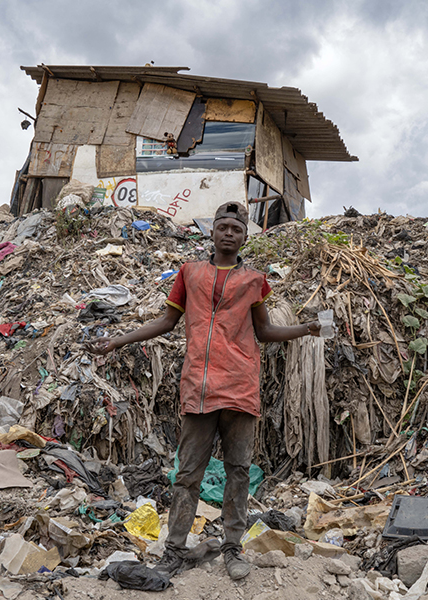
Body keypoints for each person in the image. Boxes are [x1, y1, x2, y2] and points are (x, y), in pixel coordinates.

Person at [87, 201, 320, 580]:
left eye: (237, 229)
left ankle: (233, 549)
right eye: (223, 227)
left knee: (239, 471)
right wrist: (117, 341)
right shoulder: (189, 273)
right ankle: (175, 550)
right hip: (197, 387)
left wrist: (303, 329)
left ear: (246, 237)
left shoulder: (254, 280)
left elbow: (264, 332)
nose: (229, 234)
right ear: (211, 232)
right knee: (188, 473)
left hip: (240, 387)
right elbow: (166, 321)